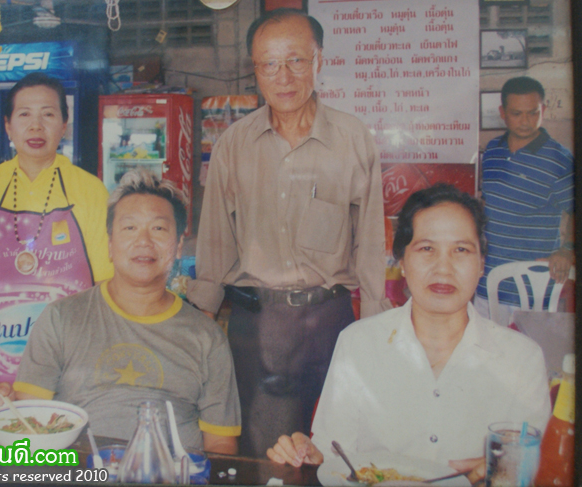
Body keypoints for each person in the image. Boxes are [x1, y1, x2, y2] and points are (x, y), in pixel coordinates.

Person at [186, 8, 390, 457]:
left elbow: (372, 244)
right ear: (254, 71)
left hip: (332, 323)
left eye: (296, 60)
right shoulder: (234, 145)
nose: (284, 76)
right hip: (259, 326)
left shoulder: (353, 138)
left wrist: (375, 329)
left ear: (319, 60)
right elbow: (216, 243)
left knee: (341, 453)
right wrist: (198, 323)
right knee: (267, 458)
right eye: (269, 64)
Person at [267, 184, 550, 483]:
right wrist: (311, 456)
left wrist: (504, 469)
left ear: (481, 264)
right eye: (427, 249)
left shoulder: (522, 359)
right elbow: (334, 453)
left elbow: (535, 466)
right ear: (401, 261)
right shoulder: (359, 344)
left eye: (461, 250)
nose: (444, 268)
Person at [0, 170, 241, 453]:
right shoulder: (60, 318)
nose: (144, 242)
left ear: (178, 247)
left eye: (158, 229)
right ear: (110, 245)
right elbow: (27, 415)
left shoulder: (207, 336)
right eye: (129, 228)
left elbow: (221, 442)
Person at [0, 73, 113, 398]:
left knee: (60, 448)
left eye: (48, 114)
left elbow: (104, 289)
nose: (36, 126)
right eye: (24, 114)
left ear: (64, 125)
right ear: (8, 125)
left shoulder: (90, 190)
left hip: (67, 374)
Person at [475, 76, 574, 325]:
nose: (526, 121)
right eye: (517, 113)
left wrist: (567, 249)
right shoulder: (493, 151)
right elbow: (487, 205)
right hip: (488, 283)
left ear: (544, 110)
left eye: (533, 113)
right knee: (485, 356)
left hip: (533, 289)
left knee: (530, 359)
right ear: (503, 113)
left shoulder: (559, 160)